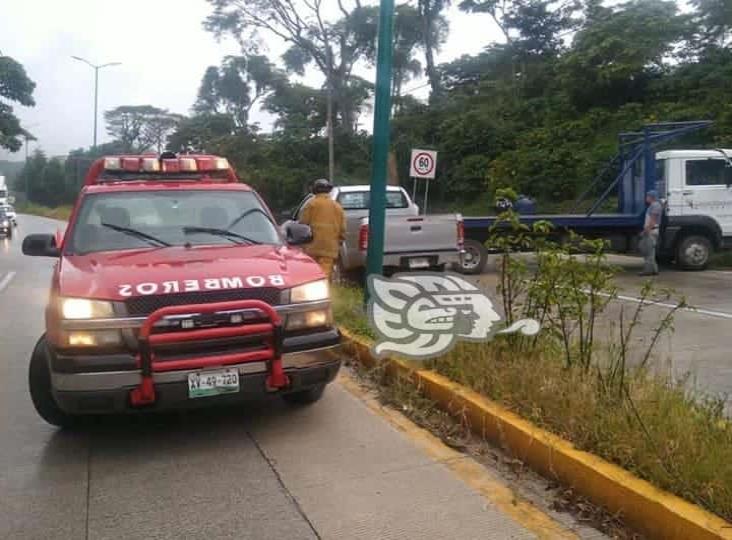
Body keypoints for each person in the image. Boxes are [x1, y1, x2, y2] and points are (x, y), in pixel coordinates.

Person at [299, 178, 346, 280]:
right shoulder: (337, 207)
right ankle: (322, 291)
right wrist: (340, 240)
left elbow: (303, 225)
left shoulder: (311, 204)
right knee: (324, 273)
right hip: (330, 246)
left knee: (311, 272)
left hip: (312, 245)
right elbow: (342, 228)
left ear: (315, 190)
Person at [639, 190, 662, 276]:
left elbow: (653, 220)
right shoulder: (653, 205)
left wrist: (645, 231)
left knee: (648, 252)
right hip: (651, 230)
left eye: (647, 196)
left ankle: (648, 271)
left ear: (651, 197)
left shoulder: (655, 206)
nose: (646, 198)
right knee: (651, 252)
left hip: (651, 231)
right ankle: (654, 270)